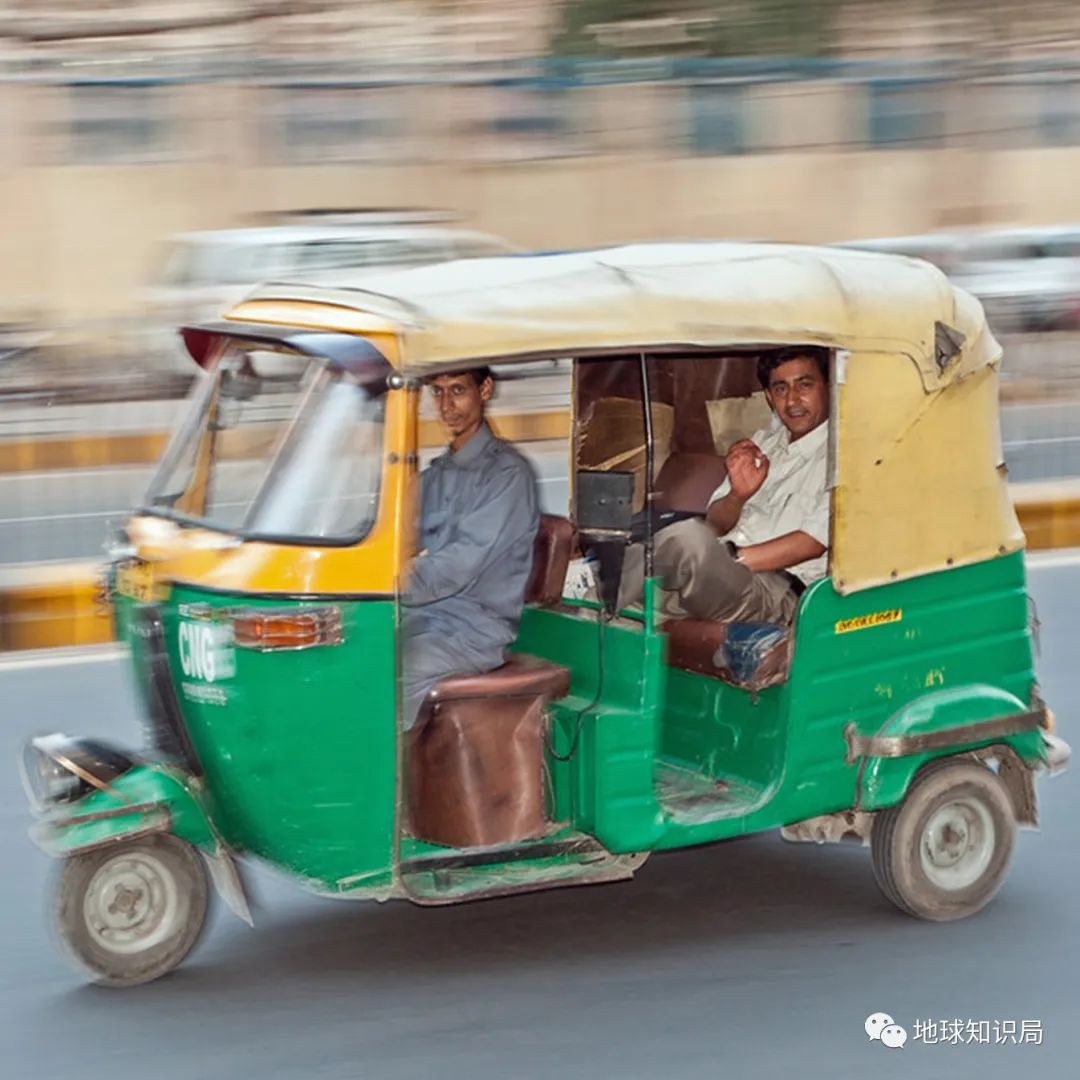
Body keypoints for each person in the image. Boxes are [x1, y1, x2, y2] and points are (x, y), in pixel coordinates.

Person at [620, 347, 830, 624]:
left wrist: (729, 560)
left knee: (687, 539)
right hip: (722, 579)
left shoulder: (845, 455)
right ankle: (598, 598)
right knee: (617, 611)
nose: (792, 400)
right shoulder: (764, 442)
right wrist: (737, 496)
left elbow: (812, 542)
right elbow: (716, 524)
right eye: (780, 389)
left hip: (779, 593)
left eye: (804, 385)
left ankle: (610, 581)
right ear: (769, 397)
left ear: (829, 387)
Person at [401, 366, 540, 729]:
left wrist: (390, 584)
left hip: (473, 630)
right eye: (438, 392)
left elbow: (459, 564)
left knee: (392, 672)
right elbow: (398, 537)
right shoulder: (435, 475)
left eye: (458, 390)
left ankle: (384, 780)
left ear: (485, 390)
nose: (447, 405)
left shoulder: (508, 476)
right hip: (424, 617)